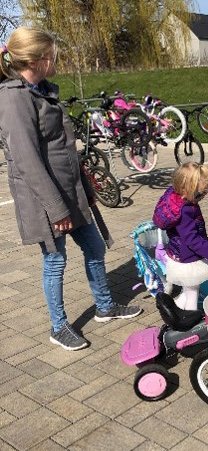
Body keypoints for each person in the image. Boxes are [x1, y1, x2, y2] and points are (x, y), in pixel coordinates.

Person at [0, 27, 142, 351]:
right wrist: (57, 208)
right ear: (37, 59)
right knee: (55, 261)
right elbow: (27, 161)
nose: (57, 61)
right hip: (44, 198)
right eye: (53, 56)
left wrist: (83, 185)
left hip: (69, 189)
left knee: (94, 246)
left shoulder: (42, 89)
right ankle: (58, 325)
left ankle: (105, 307)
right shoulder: (13, 98)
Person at [152, 162, 208, 311]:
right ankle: (190, 321)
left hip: (177, 251)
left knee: (188, 290)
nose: (202, 198)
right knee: (193, 291)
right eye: (199, 194)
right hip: (187, 257)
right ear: (186, 189)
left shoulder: (174, 196)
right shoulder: (185, 210)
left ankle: (176, 310)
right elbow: (193, 240)